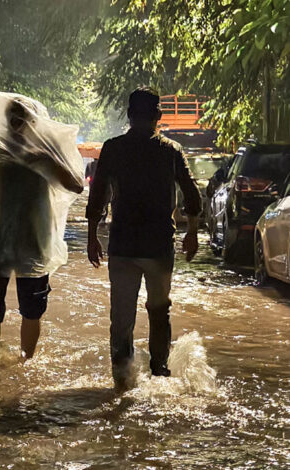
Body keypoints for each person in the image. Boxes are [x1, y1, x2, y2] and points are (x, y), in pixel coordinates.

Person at [85, 87, 201, 391]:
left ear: (128, 115)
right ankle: (160, 375)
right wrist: (192, 232)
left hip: (123, 246)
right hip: (159, 247)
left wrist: (92, 237)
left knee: (121, 316)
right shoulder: (171, 151)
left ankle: (121, 384)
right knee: (159, 311)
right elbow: (191, 194)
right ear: (158, 117)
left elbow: (97, 195)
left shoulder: (113, 148)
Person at [0, 101, 83, 362]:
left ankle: (26, 362)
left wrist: (49, 161)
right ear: (6, 120)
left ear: (32, 122)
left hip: (34, 239)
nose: (16, 123)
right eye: (12, 118)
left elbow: (77, 185)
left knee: (32, 309)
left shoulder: (45, 152)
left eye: (20, 118)